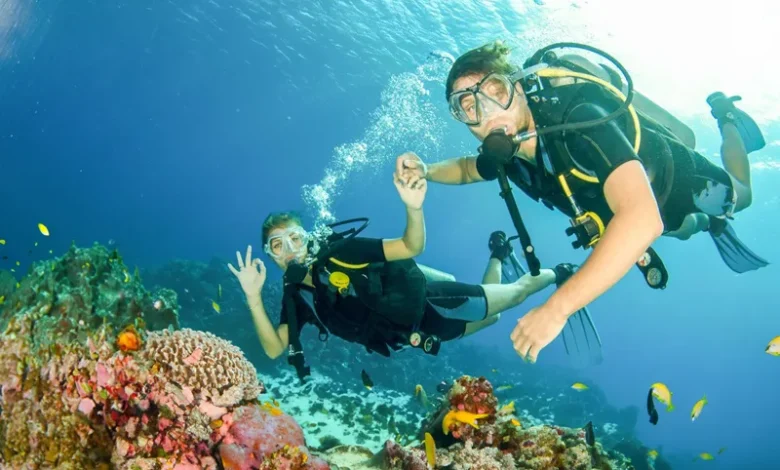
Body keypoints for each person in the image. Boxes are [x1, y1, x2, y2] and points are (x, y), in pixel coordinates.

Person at [395, 41, 768, 363]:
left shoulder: (577, 119)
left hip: (678, 179)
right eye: (467, 106)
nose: (487, 113)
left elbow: (641, 220)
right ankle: (705, 222)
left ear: (519, 87)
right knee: (685, 230)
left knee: (742, 196)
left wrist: (557, 309)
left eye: (494, 91)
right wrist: (426, 170)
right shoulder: (507, 152)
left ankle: (728, 117)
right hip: (651, 212)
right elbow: (468, 168)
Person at [228, 169, 566, 378]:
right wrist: (253, 297)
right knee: (492, 318)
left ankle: (560, 274)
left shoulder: (342, 253)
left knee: (516, 295)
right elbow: (274, 349)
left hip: (434, 304)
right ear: (269, 256)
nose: (290, 250)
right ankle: (499, 254)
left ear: (309, 238)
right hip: (418, 337)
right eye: (277, 245)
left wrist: (413, 207)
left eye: (295, 239)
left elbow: (410, 246)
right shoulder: (297, 297)